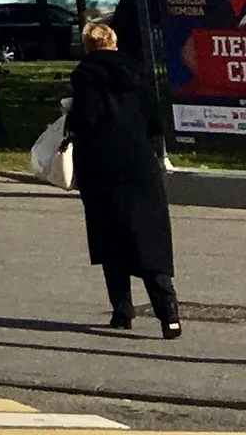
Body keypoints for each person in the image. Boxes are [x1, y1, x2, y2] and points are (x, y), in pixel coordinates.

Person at [63, 20, 181, 337]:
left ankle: (122, 311)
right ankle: (168, 313)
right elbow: (155, 118)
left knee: (110, 235)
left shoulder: (85, 74)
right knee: (149, 238)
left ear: (88, 47)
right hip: (141, 162)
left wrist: (69, 114)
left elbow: (86, 118)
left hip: (102, 164)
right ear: (114, 42)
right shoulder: (139, 70)